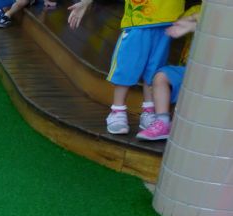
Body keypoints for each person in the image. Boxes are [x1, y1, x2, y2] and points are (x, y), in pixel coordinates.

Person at [68, 0, 184, 135]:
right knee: (127, 65)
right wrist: (86, 2)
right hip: (139, 20)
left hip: (168, 19)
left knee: (154, 70)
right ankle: (117, 110)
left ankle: (149, 111)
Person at [137, 7, 200, 141]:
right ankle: (162, 123)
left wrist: (194, 26)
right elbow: (180, 21)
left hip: (221, 76)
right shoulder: (197, 9)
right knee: (161, 76)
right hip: (190, 70)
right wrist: (191, 19)